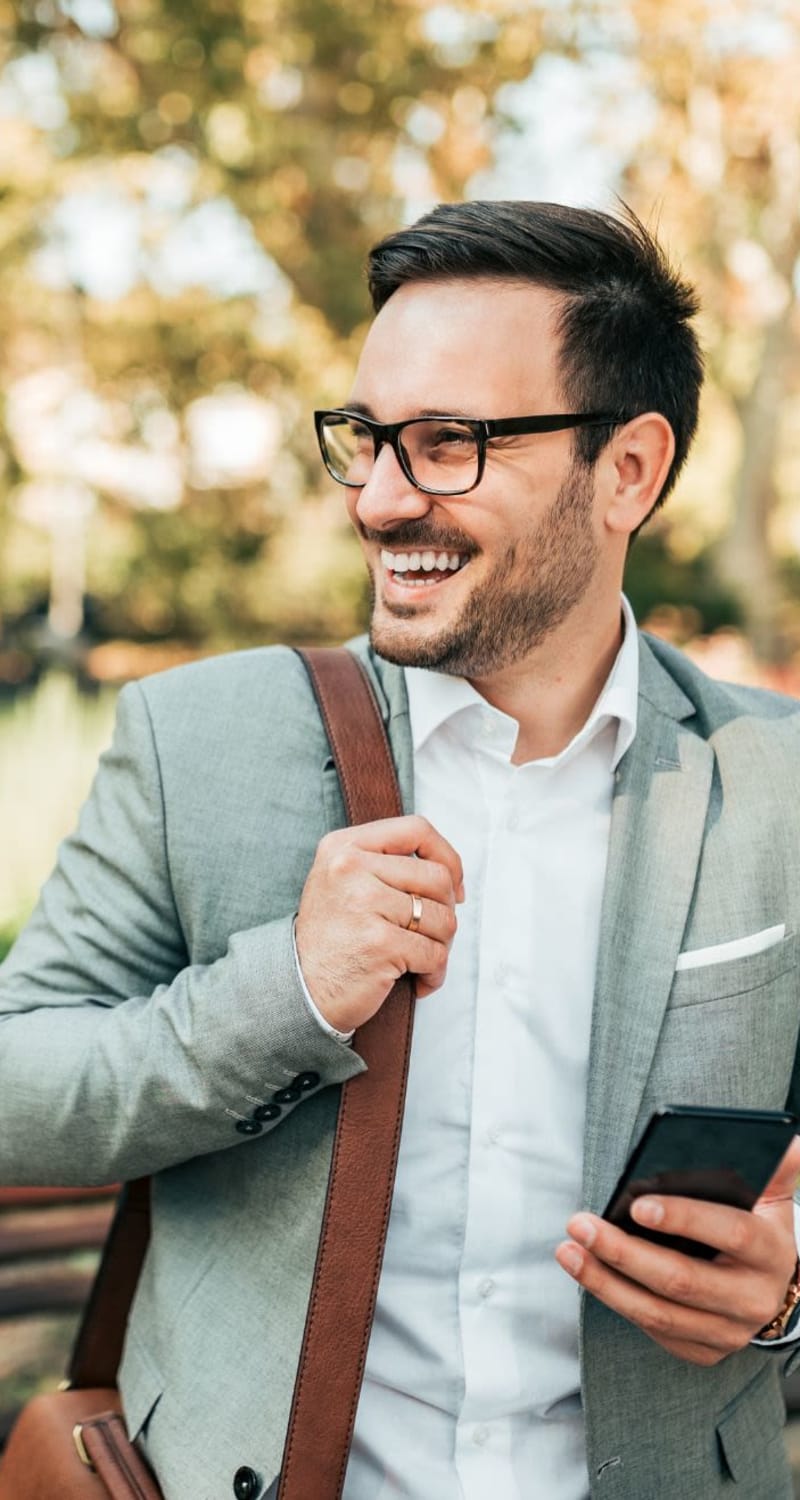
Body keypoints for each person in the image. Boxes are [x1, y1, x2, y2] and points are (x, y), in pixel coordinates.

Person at [1, 200, 800, 1500]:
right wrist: (288, 991)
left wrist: (790, 1282)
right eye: (367, 439)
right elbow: (13, 1085)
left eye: (447, 446)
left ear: (630, 472)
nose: (377, 500)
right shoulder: (193, 740)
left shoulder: (781, 781)